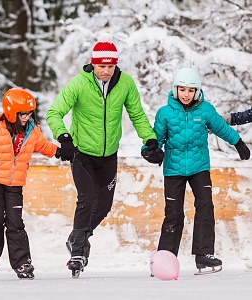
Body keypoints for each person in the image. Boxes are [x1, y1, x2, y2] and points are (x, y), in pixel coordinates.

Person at [46, 33, 162, 277]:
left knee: (104, 206)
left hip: (109, 154)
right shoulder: (79, 83)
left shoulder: (126, 84)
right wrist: (63, 137)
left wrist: (149, 139)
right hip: (82, 153)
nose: (106, 71)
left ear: (115, 64)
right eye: (102, 66)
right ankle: (78, 251)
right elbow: (54, 112)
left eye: (110, 66)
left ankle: (77, 237)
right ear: (93, 63)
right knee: (87, 197)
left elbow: (137, 115)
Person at [143, 67, 250, 274]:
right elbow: (155, 138)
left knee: (205, 207)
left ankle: (203, 255)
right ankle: (165, 257)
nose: (186, 94)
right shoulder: (165, 113)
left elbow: (221, 127)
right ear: (175, 90)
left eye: (190, 90)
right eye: (182, 89)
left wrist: (238, 143)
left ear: (197, 91)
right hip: (173, 170)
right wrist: (150, 151)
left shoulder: (205, 110)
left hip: (199, 167)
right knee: (173, 214)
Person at [0, 88, 60, 280]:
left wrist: (64, 152)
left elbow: (45, 147)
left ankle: (22, 262)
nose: (26, 117)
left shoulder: (32, 130)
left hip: (15, 184)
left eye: (29, 113)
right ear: (10, 111)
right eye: (22, 113)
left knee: (15, 222)